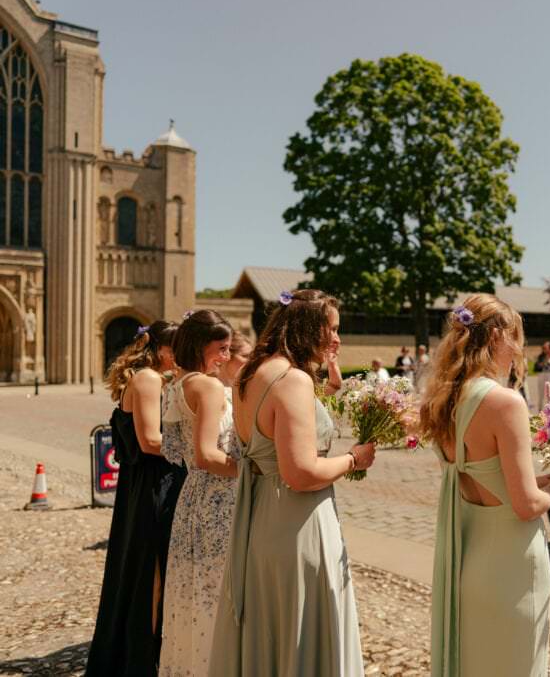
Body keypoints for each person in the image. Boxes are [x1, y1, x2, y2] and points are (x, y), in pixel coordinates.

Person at [211, 288, 375, 676]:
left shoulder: (250, 374)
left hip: (260, 521)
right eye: (331, 329)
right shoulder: (292, 380)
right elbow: (300, 473)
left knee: (272, 632)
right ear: (306, 327)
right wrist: (354, 458)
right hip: (298, 524)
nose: (337, 339)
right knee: (301, 633)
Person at [420, 294, 550, 677]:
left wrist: (542, 480)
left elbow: (487, 479)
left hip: (471, 563)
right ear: (495, 335)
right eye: (516, 338)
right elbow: (525, 505)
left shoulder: (443, 400)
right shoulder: (504, 403)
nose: (519, 350)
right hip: (512, 569)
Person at [87, 321, 186, 677]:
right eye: (179, 347)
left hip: (155, 481)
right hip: (149, 484)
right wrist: (199, 447)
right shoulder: (147, 379)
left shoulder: (159, 378)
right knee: (150, 570)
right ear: (160, 349)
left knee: (154, 566)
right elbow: (149, 441)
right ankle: (141, 657)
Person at [159, 310, 238, 675]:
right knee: (218, 594)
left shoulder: (177, 384)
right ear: (199, 346)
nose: (225, 356)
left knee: (195, 594)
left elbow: (182, 453)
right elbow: (207, 454)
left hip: (192, 498)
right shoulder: (205, 387)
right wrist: (253, 470)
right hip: (219, 498)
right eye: (220, 348)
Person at [533, 341, 550, 410]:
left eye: (546, 347)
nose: (544, 349)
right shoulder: (540, 357)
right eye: (543, 347)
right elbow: (537, 366)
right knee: (541, 395)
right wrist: (545, 360)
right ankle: (540, 411)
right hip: (541, 375)